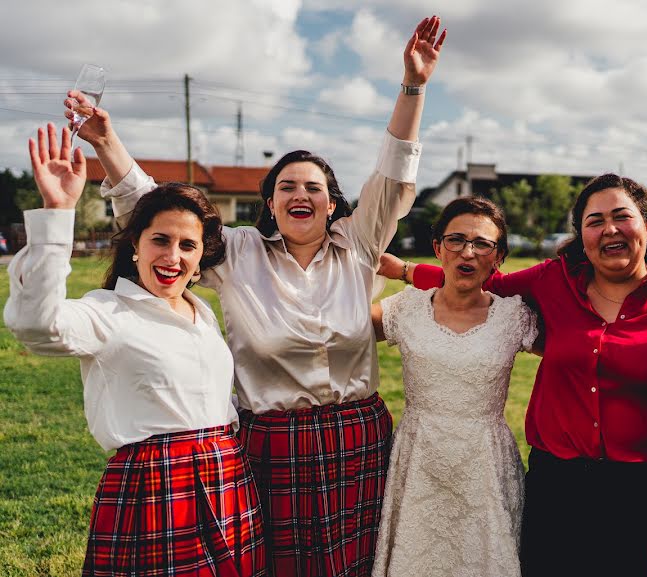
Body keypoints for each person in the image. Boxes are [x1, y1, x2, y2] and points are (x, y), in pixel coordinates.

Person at [67, 16, 446, 577]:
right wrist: (106, 141)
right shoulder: (237, 253)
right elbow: (156, 207)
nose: (300, 194)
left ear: (333, 203)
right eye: (285, 187)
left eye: (313, 187)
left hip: (356, 439)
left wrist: (412, 86)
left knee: (360, 564)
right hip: (272, 446)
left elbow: (393, 171)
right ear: (268, 204)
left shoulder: (360, 243)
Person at [383, 174, 647, 575]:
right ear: (582, 234)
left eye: (621, 216)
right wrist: (406, 270)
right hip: (558, 484)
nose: (609, 229)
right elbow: (482, 280)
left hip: (642, 487)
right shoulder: (553, 280)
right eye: (595, 220)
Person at [4, 124, 265, 576]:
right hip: (154, 489)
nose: (172, 256)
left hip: (228, 479)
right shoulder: (106, 312)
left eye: (188, 245)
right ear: (136, 246)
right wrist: (57, 214)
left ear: (202, 258)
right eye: (160, 240)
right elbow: (35, 326)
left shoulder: (201, 313)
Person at [370, 197, 538, 577]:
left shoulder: (514, 316)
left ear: (498, 257)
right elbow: (340, 330)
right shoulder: (404, 309)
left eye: (482, 244)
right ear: (438, 247)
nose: (468, 252)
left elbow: (574, 351)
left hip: (484, 462)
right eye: (456, 240)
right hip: (419, 459)